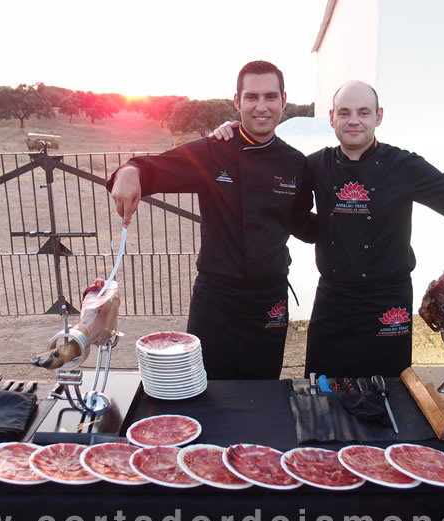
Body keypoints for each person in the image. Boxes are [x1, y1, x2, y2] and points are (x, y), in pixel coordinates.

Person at [212, 80, 444, 378]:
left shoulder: (403, 165)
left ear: (378, 117)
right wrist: (233, 137)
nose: (354, 121)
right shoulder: (314, 165)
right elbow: (287, 204)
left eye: (363, 113)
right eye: (345, 113)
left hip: (388, 302)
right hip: (334, 302)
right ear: (332, 118)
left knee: (392, 396)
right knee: (323, 393)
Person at [107, 60, 314, 380]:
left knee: (262, 389)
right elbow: (155, 170)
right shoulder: (214, 151)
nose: (262, 106)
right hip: (217, 299)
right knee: (203, 387)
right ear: (237, 101)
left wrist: (346, 225)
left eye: (271, 97)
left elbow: (302, 222)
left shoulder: (295, 163)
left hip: (269, 300)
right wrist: (129, 170)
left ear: (283, 101)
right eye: (252, 97)